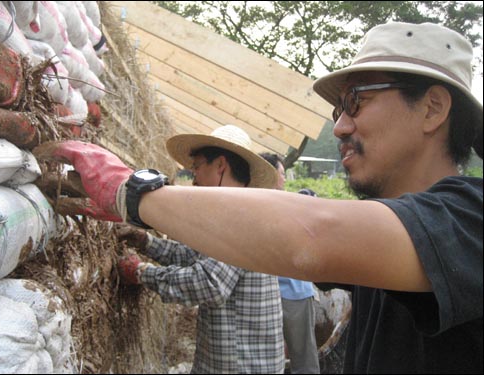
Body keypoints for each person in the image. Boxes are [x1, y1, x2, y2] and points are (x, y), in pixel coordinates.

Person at [33, 21, 483, 373]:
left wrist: (130, 193)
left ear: (432, 108)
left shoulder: (471, 219)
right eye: (337, 110)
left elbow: (310, 236)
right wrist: (150, 235)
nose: (341, 127)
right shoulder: (395, 233)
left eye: (356, 102)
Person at [117, 125, 285, 374]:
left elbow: (208, 283)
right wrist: (146, 242)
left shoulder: (240, 218)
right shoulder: (231, 213)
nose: (193, 178)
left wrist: (141, 273)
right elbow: (195, 256)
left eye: (196, 166)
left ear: (220, 166)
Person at [259, 152, 320, 374]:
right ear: (269, 173)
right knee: (293, 357)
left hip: (293, 294)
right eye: (282, 173)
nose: (284, 179)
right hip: (281, 295)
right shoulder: (263, 204)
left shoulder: (288, 204)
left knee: (302, 358)